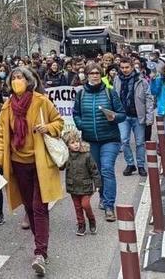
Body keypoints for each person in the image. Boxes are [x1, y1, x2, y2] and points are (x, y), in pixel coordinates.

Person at [0, 67, 63, 277]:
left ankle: (40, 253)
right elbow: (0, 136)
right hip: (18, 164)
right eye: (14, 78)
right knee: (29, 208)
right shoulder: (7, 106)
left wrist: (47, 128)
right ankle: (40, 243)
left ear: (29, 81)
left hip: (41, 164)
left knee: (40, 207)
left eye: (20, 78)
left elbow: (59, 122)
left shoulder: (41, 101)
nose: (16, 81)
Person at [73, 62, 126, 221]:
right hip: (90, 140)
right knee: (97, 171)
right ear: (87, 75)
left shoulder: (110, 93)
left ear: (101, 75)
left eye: (97, 73)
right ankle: (103, 197)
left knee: (107, 169)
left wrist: (114, 116)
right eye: (92, 73)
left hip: (110, 138)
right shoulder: (81, 94)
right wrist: (81, 124)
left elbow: (122, 114)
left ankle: (109, 206)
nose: (95, 76)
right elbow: (76, 114)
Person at [114, 58, 153, 177]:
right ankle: (130, 163)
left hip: (138, 115)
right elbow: (114, 96)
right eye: (122, 68)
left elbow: (149, 99)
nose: (125, 70)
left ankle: (141, 165)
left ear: (132, 67)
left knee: (140, 142)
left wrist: (149, 116)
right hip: (123, 116)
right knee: (124, 140)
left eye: (127, 67)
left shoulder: (141, 80)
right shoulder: (117, 80)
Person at [62, 129, 101, 236]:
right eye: (72, 143)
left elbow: (94, 170)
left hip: (86, 186)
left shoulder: (86, 155)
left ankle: (92, 220)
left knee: (85, 205)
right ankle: (81, 225)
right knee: (77, 208)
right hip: (73, 186)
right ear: (68, 145)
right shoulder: (67, 156)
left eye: (77, 141)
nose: (76, 144)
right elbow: (61, 166)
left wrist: (97, 184)